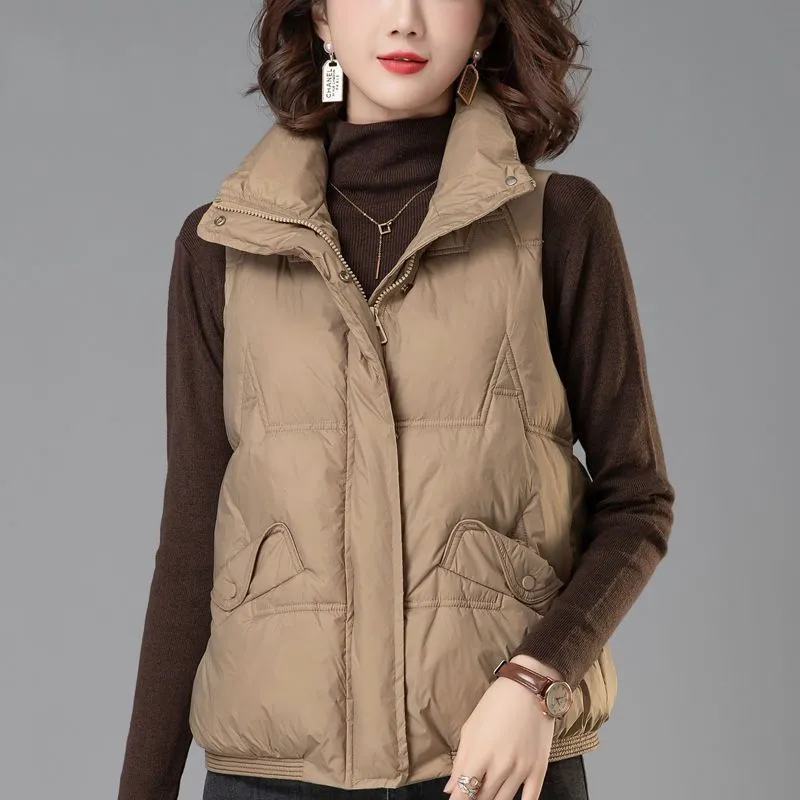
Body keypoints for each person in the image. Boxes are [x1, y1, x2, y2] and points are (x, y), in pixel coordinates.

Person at [117, 1, 676, 800]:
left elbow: (637, 499)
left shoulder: (559, 223)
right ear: (319, 18)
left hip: (488, 770)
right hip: (270, 777)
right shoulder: (223, 247)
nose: (405, 19)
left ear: (486, 24)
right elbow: (192, 542)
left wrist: (536, 679)